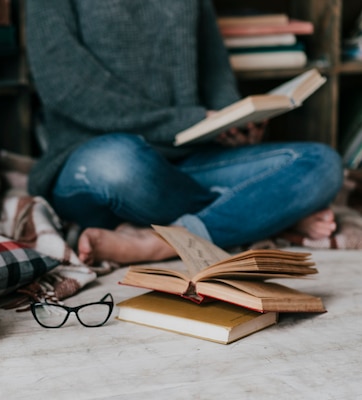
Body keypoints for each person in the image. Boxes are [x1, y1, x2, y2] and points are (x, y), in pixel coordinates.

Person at [25, 0, 344, 266]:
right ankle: (261, 211)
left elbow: (213, 69)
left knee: (321, 162)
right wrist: (185, 120)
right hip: (96, 159)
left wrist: (233, 118)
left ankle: (161, 242)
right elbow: (67, 88)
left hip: (191, 157)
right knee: (119, 164)